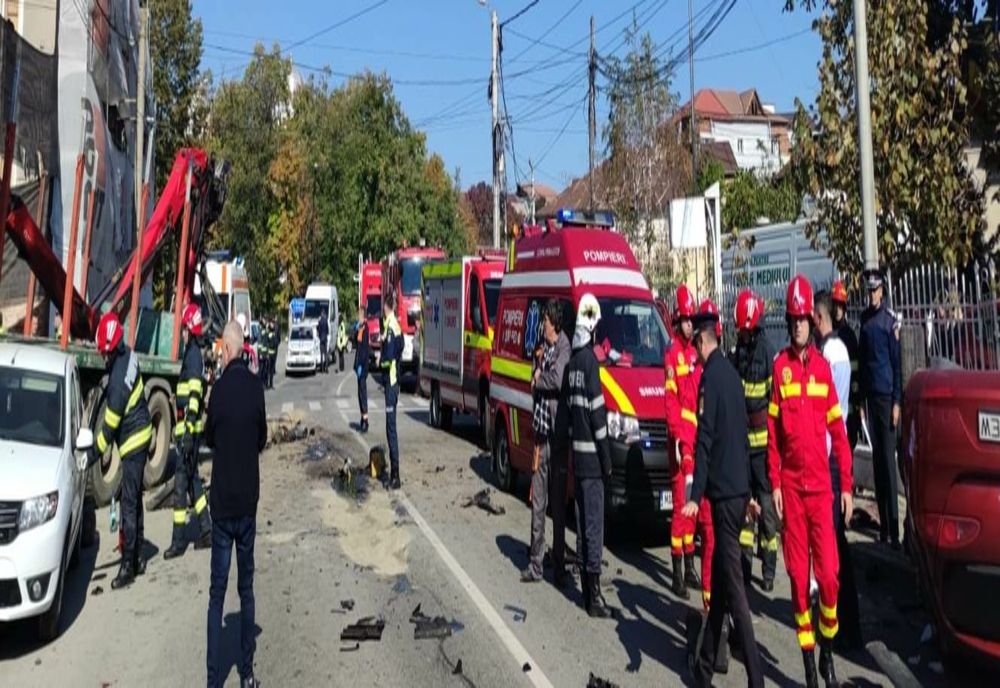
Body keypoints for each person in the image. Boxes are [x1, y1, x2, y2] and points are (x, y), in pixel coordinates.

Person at [768, 275, 853, 688]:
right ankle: (807, 666)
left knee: (831, 577)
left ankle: (828, 653)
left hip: (821, 490)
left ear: (810, 320)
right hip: (792, 491)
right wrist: (775, 485)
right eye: (795, 319)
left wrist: (849, 487)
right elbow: (772, 436)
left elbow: (839, 435)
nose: (800, 324)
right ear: (788, 322)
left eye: (805, 318)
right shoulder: (779, 368)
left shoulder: (821, 368)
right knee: (799, 581)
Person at [682, 307, 764, 688]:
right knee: (718, 584)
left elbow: (705, 439)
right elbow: (744, 439)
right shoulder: (731, 376)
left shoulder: (710, 379)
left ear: (701, 341)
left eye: (694, 345)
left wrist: (695, 494)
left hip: (724, 499)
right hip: (737, 492)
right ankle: (702, 671)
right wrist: (749, 490)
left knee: (735, 594)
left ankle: (757, 678)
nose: (694, 352)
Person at [205, 320, 266, 688]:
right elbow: (261, 437)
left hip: (223, 506)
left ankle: (213, 681)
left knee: (216, 594)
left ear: (227, 350)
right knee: (246, 590)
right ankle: (246, 674)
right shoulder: (256, 388)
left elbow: (210, 437)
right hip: (247, 505)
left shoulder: (219, 391)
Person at [89, 312, 153, 590]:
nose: (103, 357)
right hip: (142, 432)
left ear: (112, 347)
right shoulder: (129, 356)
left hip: (133, 440)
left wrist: (88, 456)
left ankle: (128, 565)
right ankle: (138, 555)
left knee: (128, 501)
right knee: (134, 497)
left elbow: (108, 432)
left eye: (105, 352)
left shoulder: (116, 385)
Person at [815, 290, 863, 650]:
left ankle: (840, 624)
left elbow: (824, 410)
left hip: (828, 456)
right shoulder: (842, 352)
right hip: (837, 450)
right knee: (838, 545)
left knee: (831, 547)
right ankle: (849, 622)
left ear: (819, 318)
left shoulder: (828, 356)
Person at [564, 294, 612, 618]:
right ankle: (594, 596)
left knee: (581, 525)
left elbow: (570, 413)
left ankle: (584, 588)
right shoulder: (590, 364)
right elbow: (597, 416)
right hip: (593, 460)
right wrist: (607, 457)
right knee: (594, 525)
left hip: (576, 459)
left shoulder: (572, 364)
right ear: (593, 327)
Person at [729, 289, 779, 592]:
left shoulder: (765, 354)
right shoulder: (741, 351)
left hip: (762, 448)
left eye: (745, 330)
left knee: (766, 511)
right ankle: (745, 566)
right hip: (745, 445)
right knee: (745, 510)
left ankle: (770, 568)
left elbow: (771, 404)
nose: (742, 335)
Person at [521, 299, 570, 586]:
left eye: (545, 321)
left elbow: (557, 379)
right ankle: (535, 563)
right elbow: (535, 372)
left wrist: (539, 379)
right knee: (538, 500)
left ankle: (559, 566)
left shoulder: (563, 346)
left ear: (554, 322)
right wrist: (537, 375)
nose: (542, 326)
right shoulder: (541, 347)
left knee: (558, 504)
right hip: (540, 434)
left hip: (557, 434)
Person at [164, 304, 212, 560]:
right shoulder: (192, 353)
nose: (181, 332)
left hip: (188, 432)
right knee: (194, 481)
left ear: (190, 330)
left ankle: (178, 541)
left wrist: (187, 433)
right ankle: (206, 530)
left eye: (184, 328)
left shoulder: (193, 356)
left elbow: (194, 395)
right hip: (189, 431)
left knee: (181, 487)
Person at [858, 268, 902, 548]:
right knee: (876, 463)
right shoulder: (865, 320)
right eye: (869, 290)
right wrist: (861, 400)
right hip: (871, 397)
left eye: (875, 290)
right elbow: (863, 363)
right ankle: (884, 529)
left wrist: (897, 401)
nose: (872, 294)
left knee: (887, 462)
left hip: (887, 398)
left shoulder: (889, 322)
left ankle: (894, 530)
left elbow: (897, 366)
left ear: (882, 291)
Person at [664, 283, 701, 600]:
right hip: (680, 442)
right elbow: (671, 400)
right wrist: (676, 437)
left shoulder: (694, 353)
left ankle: (690, 564)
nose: (691, 324)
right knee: (680, 506)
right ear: (677, 321)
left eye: (693, 320)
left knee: (694, 506)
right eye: (687, 320)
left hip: (696, 439)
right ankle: (677, 571)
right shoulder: (673, 354)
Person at [831, 280, 861, 451]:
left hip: (849, 408)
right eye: (835, 305)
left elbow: (855, 371)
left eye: (840, 306)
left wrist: (857, 405)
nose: (837, 310)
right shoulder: (827, 335)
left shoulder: (849, 336)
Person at [380, 295, 402, 490]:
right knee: (390, 428)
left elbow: (389, 357)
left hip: (391, 382)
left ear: (385, 307)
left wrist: (381, 360)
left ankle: (396, 475)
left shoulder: (390, 327)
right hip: (393, 382)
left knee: (391, 429)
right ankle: (395, 472)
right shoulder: (394, 324)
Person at [353, 307, 370, 432]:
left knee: (363, 393)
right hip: (359, 364)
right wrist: (355, 330)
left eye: (360, 316)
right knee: (359, 393)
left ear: (364, 317)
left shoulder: (366, 329)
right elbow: (355, 344)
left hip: (363, 366)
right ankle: (362, 416)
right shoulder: (360, 329)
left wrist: (361, 365)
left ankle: (365, 419)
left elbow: (364, 349)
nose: (358, 318)